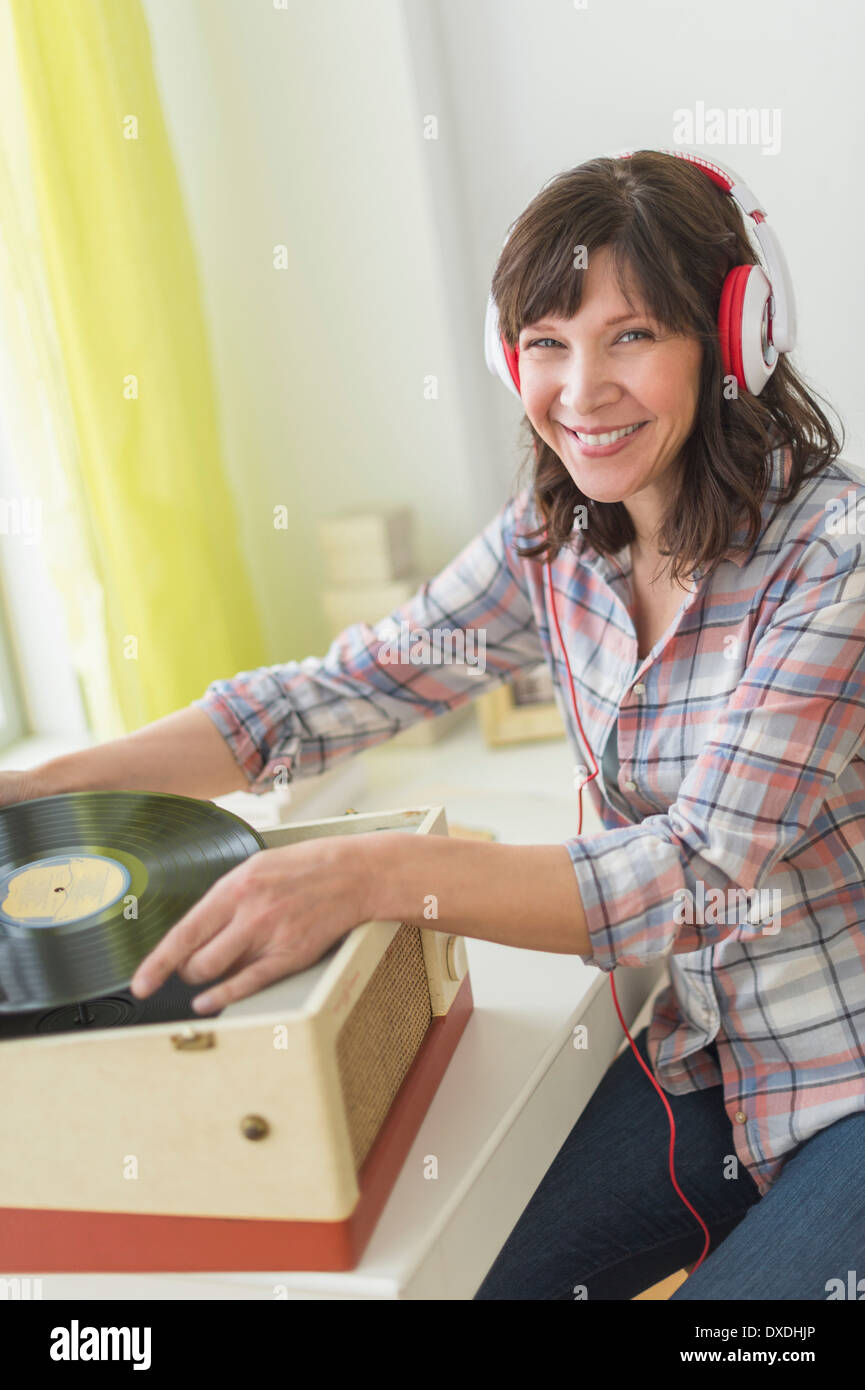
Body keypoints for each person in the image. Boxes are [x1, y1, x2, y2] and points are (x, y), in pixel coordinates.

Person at [4, 149, 865, 1298]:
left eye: (631, 337)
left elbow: (692, 872)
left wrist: (381, 873)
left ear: (732, 341)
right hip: (703, 1063)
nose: (579, 390)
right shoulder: (554, 538)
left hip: (848, 1075)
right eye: (547, 344)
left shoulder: (831, 557)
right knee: (462, 1280)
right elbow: (331, 693)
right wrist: (48, 787)